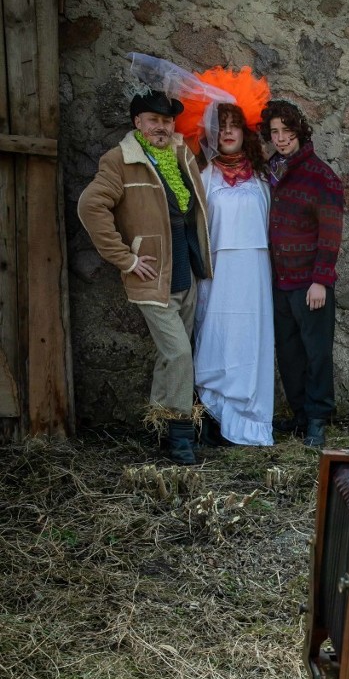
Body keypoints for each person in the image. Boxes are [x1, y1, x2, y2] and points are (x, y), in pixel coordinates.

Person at [78, 88, 211, 465]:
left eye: (167, 120)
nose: (162, 127)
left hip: (186, 271)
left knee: (172, 356)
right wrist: (126, 258)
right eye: (153, 120)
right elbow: (91, 206)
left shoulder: (182, 154)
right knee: (180, 352)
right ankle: (182, 434)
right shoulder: (121, 160)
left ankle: (160, 427)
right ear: (138, 123)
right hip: (151, 277)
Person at [260, 100, 344, 450]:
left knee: (316, 352)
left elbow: (331, 231)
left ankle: (317, 419)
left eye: (287, 131)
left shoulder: (321, 176)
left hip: (310, 284)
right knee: (289, 352)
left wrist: (321, 280)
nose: (280, 138)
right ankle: (298, 415)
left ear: (300, 131)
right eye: (275, 132)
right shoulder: (270, 172)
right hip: (279, 282)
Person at [190, 99, 274, 447]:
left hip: (253, 272)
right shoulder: (204, 177)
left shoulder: (262, 179)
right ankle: (214, 414)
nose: (227, 132)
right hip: (218, 271)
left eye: (233, 125)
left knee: (250, 341)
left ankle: (248, 422)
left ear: (245, 132)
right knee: (216, 336)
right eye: (221, 125)